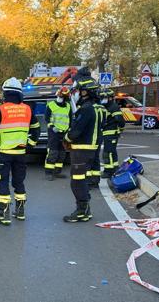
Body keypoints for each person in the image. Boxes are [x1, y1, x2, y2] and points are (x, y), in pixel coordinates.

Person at [0, 77, 40, 225]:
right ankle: (20, 212)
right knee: (19, 182)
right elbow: (36, 129)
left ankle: (4, 214)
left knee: (3, 183)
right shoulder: (27, 109)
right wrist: (30, 145)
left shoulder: (1, 109)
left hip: (3, 153)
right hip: (21, 154)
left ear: (6, 93)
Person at [63, 78, 104, 223]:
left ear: (86, 92)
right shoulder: (99, 108)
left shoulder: (86, 109)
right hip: (91, 150)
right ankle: (85, 209)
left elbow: (76, 130)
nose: (76, 94)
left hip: (81, 150)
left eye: (78, 91)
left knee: (77, 182)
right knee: (82, 180)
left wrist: (66, 139)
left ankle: (82, 211)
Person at [44, 86, 71, 181]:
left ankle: (57, 172)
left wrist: (69, 130)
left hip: (64, 133)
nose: (60, 98)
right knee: (53, 153)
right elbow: (46, 118)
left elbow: (70, 119)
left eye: (62, 97)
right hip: (54, 132)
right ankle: (48, 172)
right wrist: (52, 126)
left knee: (62, 153)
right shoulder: (51, 105)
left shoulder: (68, 106)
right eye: (59, 96)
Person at [100, 88, 125, 178]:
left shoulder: (113, 107)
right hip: (107, 133)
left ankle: (108, 171)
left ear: (110, 98)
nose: (102, 99)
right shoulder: (106, 107)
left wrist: (120, 129)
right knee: (112, 152)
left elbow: (120, 120)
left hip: (111, 133)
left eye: (104, 97)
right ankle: (115, 168)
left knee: (108, 152)